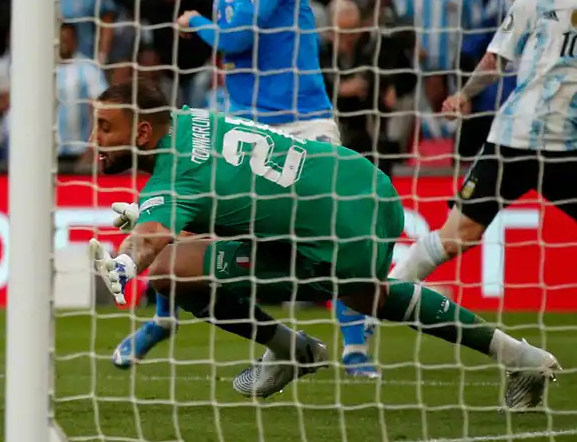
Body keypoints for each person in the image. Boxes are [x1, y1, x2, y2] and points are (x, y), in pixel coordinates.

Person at [88, 82, 559, 407]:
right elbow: (214, 192)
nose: (94, 139)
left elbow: (154, 235)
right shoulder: (191, 120)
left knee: (169, 271)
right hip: (364, 183)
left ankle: (294, 350)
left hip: (333, 231)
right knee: (370, 297)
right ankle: (521, 357)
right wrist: (149, 215)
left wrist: (125, 263)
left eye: (104, 127)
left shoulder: (172, 177)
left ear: (143, 131)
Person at [114, 0, 376, 377]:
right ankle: (163, 318)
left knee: (338, 232)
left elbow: (236, 40)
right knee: (189, 212)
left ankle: (356, 347)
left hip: (304, 122)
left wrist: (197, 22)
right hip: (248, 128)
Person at [391, 0, 577, 285]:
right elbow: (495, 60)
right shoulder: (536, 0)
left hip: (568, 147)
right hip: (514, 140)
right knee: (459, 235)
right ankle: (384, 295)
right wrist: (464, 94)